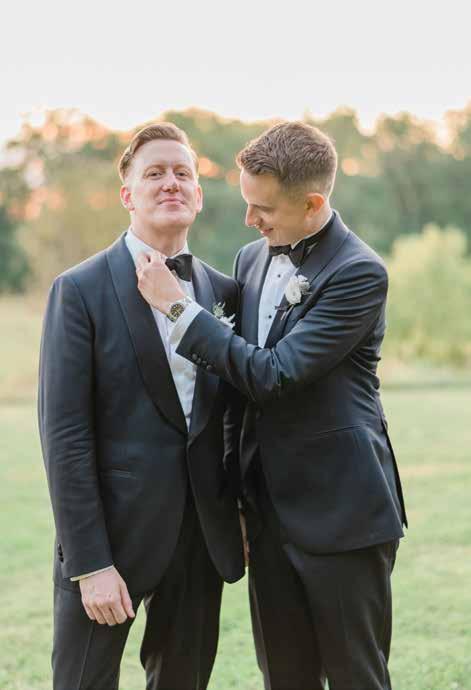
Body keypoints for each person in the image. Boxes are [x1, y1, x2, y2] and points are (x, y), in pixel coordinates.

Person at [136, 121, 408, 690]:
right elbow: (235, 391)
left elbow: (274, 374)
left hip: (342, 515)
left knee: (357, 677)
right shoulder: (250, 260)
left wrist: (180, 311)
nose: (250, 220)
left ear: (312, 205)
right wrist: (237, 497)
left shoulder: (359, 272)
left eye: (263, 209)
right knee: (283, 677)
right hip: (266, 516)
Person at [38, 122, 245, 690]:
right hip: (110, 541)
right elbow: (65, 436)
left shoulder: (225, 293)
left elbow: (234, 419)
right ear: (127, 195)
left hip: (201, 541)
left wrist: (239, 512)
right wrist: (90, 563)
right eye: (154, 173)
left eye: (183, 173)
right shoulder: (79, 290)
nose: (170, 182)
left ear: (199, 195)